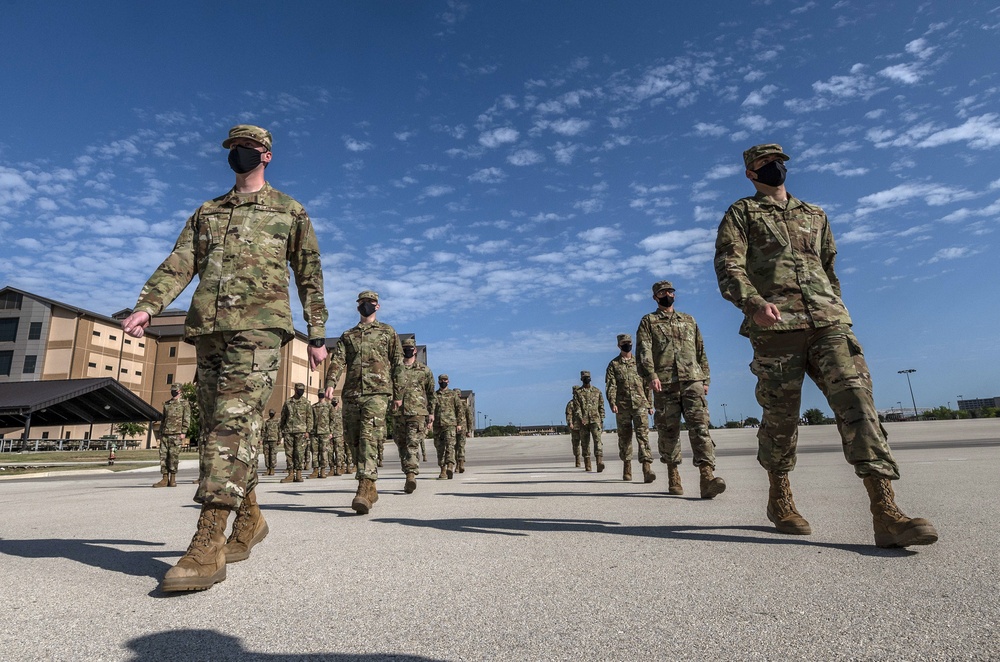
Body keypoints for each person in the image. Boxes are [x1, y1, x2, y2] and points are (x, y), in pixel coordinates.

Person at [121, 124, 329, 591]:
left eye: (248, 148)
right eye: (233, 149)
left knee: (231, 425)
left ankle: (208, 541)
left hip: (260, 327)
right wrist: (147, 305)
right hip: (208, 332)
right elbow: (180, 261)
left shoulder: (289, 211)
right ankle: (250, 518)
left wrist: (317, 333)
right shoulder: (208, 212)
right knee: (221, 425)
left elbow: (309, 275)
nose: (239, 154)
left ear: (267, 155)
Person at [714, 143, 937, 547]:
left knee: (858, 403)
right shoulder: (742, 213)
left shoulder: (814, 215)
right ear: (750, 173)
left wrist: (834, 306)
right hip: (776, 328)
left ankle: (885, 512)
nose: (775, 167)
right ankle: (780, 498)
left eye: (779, 161)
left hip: (828, 322)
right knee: (780, 418)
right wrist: (753, 303)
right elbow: (729, 265)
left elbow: (829, 267)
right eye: (765, 163)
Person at [636, 280, 726, 499]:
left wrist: (705, 379)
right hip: (665, 383)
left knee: (700, 428)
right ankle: (673, 474)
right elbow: (644, 351)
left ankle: (707, 476)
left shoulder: (688, 320)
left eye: (670, 291)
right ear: (655, 297)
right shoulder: (649, 321)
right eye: (663, 292)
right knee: (669, 431)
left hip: (692, 380)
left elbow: (700, 349)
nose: (668, 294)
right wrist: (651, 375)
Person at [324, 290, 402, 514]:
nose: (366, 305)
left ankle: (364, 485)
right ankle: (372, 487)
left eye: (370, 302)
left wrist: (399, 394)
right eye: (362, 303)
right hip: (351, 393)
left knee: (368, 437)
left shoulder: (388, 332)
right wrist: (330, 381)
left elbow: (397, 363)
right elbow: (338, 360)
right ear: (358, 306)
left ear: (377, 306)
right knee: (353, 439)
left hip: (377, 393)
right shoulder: (348, 335)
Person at [605, 335, 656, 483]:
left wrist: (650, 405)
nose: (627, 345)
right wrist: (612, 402)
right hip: (622, 406)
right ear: (618, 346)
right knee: (624, 437)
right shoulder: (613, 365)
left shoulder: (639, 363)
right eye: (623, 343)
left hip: (640, 404)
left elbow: (648, 385)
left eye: (628, 343)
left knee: (643, 436)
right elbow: (611, 385)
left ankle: (647, 468)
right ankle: (627, 467)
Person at [393, 336, 435, 493]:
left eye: (410, 348)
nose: (407, 351)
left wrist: (431, 413)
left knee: (412, 443)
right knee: (402, 445)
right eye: (405, 348)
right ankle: (407, 472)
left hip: (417, 413)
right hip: (398, 414)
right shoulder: (396, 369)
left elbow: (431, 393)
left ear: (415, 350)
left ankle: (411, 475)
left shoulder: (424, 370)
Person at [153, 384, 190, 488]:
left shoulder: (184, 404)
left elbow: (187, 418)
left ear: (180, 391)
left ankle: (173, 479)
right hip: (165, 434)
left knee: (173, 457)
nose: (173, 392)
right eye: (172, 390)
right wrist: (160, 433)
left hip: (176, 434)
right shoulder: (167, 404)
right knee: (163, 456)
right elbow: (163, 420)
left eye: (175, 390)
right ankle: (165, 479)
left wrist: (183, 432)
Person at [573, 371, 605, 472]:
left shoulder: (597, 391)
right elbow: (577, 407)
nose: (586, 379)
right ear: (581, 379)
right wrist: (581, 418)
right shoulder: (578, 393)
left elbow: (601, 406)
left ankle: (599, 462)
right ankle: (588, 464)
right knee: (585, 443)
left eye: (588, 377)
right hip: (583, 422)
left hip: (595, 420)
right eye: (584, 377)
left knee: (598, 441)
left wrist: (602, 419)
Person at [432, 374, 462, 479]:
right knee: (439, 448)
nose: (443, 381)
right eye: (441, 380)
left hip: (450, 424)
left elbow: (459, 409)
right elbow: (430, 409)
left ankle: (450, 465)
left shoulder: (453, 395)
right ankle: (442, 469)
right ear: (438, 381)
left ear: (448, 381)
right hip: (437, 425)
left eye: (445, 380)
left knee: (450, 446)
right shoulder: (434, 395)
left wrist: (459, 424)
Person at [309, 391, 333, 479]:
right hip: (314, 432)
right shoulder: (314, 407)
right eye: (319, 394)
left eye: (322, 394)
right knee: (314, 452)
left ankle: (323, 471)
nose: (320, 396)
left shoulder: (329, 406)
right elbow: (310, 419)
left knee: (324, 452)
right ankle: (315, 471)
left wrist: (331, 432)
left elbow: (332, 419)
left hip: (325, 432)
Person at [454, 390, 474, 473]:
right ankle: (458, 464)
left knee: (460, 446)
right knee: (456, 447)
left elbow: (469, 418)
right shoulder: (451, 405)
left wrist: (469, 430)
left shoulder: (464, 405)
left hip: (462, 428)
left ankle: (461, 464)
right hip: (453, 428)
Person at [565, 387, 583, 467]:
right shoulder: (571, 403)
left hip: (583, 426)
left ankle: (586, 460)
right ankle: (577, 459)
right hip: (575, 426)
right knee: (576, 444)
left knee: (585, 443)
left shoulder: (583, 402)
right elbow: (568, 414)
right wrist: (570, 423)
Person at [261, 409, 281, 477]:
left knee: (273, 455)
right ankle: (268, 469)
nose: (271, 414)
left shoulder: (277, 421)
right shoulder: (267, 422)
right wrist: (262, 439)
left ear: (275, 413)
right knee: (266, 455)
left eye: (272, 413)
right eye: (270, 413)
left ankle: (272, 469)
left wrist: (279, 439)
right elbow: (263, 431)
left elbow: (279, 431)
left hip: (274, 440)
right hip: (266, 440)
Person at [329, 396, 345, 476]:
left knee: (339, 453)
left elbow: (345, 423)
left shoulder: (342, 411)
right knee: (330, 453)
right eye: (333, 402)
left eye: (335, 402)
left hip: (339, 434)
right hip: (330, 435)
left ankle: (338, 468)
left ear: (338, 403)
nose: (334, 404)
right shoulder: (329, 410)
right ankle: (332, 469)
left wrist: (344, 435)